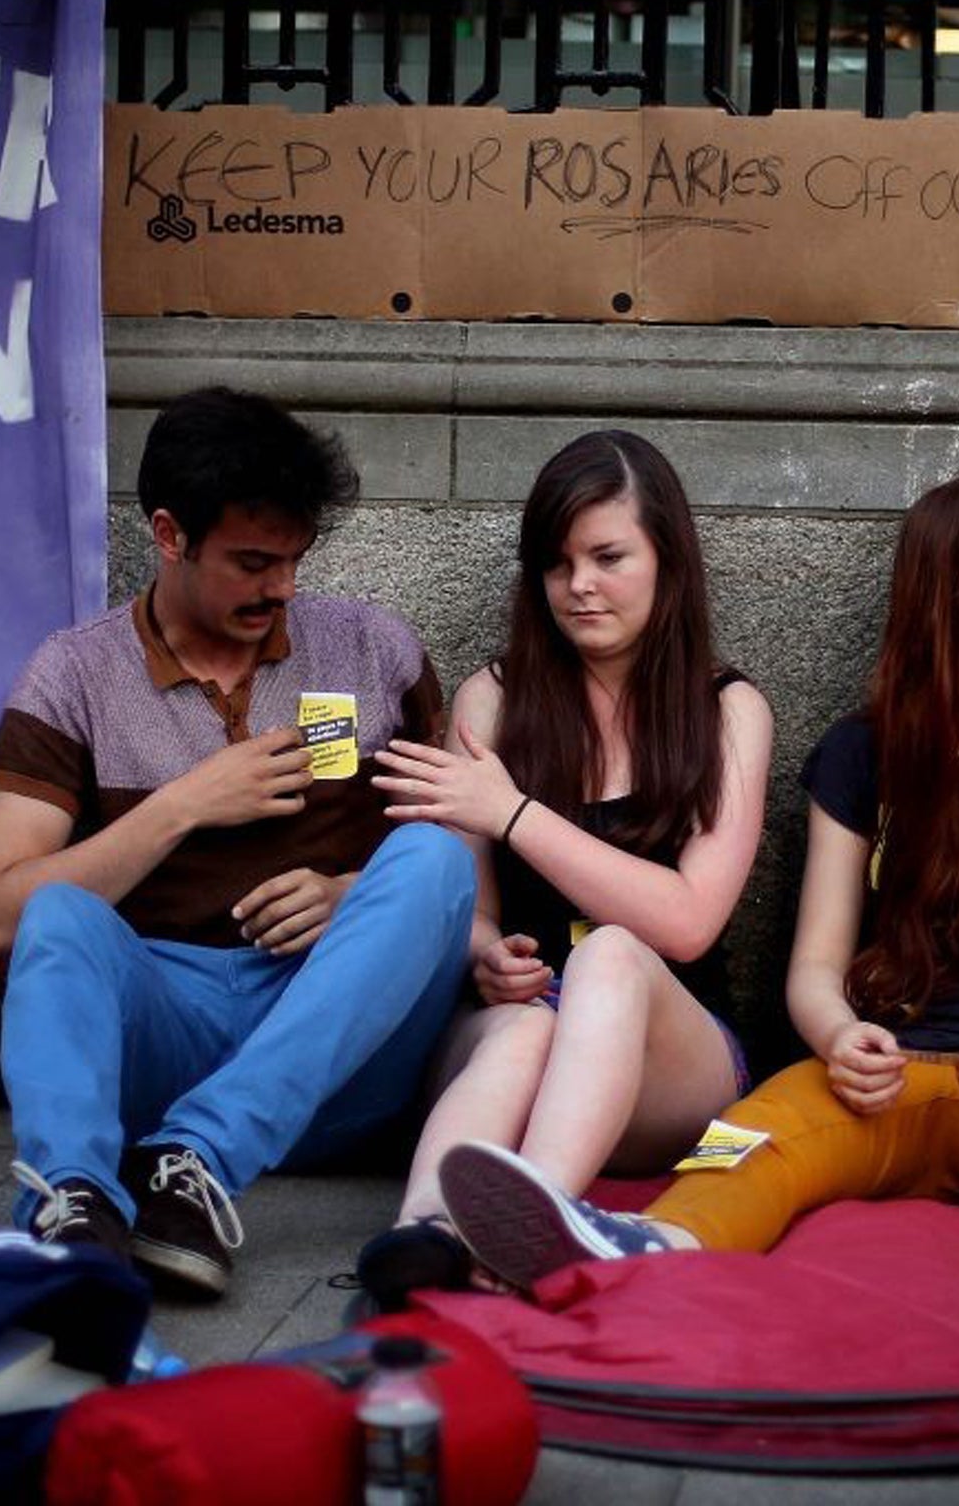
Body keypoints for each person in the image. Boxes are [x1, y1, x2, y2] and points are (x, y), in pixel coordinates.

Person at [439, 468, 959, 1362]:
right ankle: (647, 1245)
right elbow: (815, 967)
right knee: (758, 1141)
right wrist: (835, 1037)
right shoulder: (861, 756)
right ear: (942, 600)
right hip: (876, 1076)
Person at [0, 387, 475, 1299]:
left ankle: (200, 1162)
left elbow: (450, 865)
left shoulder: (373, 651)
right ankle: (76, 1203)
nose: (279, 587)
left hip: (339, 1058)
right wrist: (184, 805)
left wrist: (350, 893)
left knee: (434, 858)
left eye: (293, 559)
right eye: (251, 562)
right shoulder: (72, 674)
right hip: (164, 1036)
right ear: (169, 535)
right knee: (55, 914)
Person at [352, 430, 772, 1311]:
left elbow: (690, 922)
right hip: (521, 1038)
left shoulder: (729, 711)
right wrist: (483, 954)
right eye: (557, 563)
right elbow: (468, 906)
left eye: (608, 557)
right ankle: (425, 1233)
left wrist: (513, 813)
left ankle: (527, 1216)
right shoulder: (492, 700)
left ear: (669, 559)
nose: (578, 586)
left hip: (673, 1066)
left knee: (614, 954)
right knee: (523, 1028)